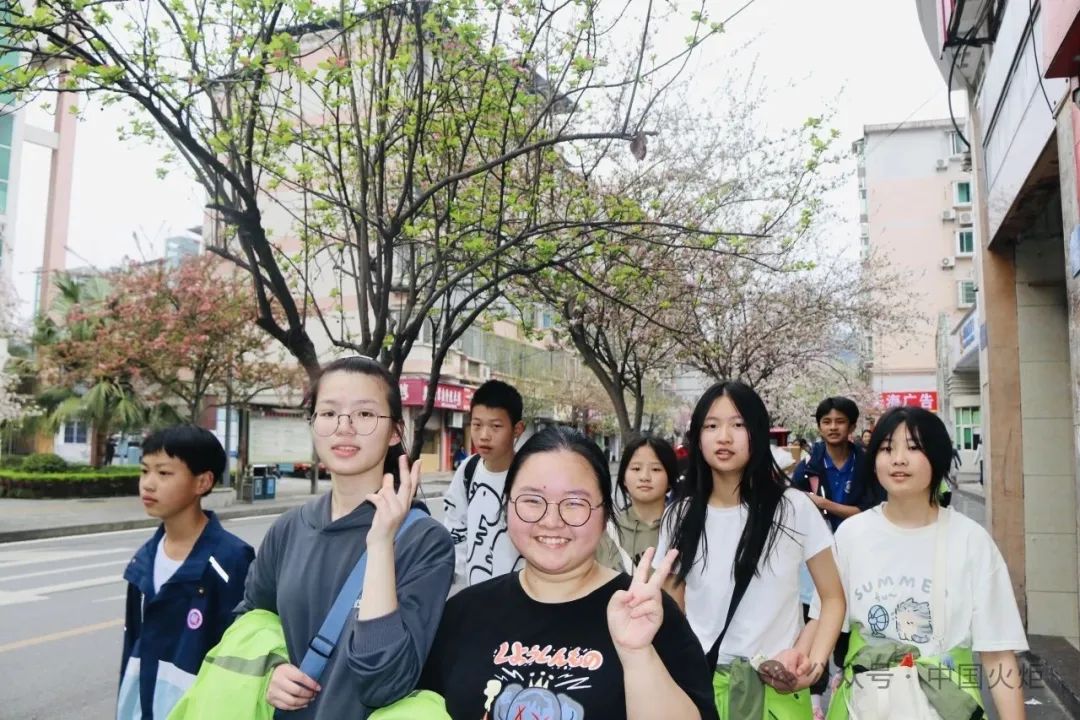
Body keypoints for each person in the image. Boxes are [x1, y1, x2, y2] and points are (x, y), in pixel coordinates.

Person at [420, 426, 719, 720]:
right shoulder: (464, 613)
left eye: (575, 503)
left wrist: (638, 655)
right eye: (532, 500)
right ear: (507, 504)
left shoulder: (647, 613)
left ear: (605, 515)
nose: (551, 521)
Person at [237, 356, 454, 719]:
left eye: (366, 415)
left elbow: (385, 683)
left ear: (395, 432)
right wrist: (270, 668)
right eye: (328, 413)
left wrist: (381, 544)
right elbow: (249, 618)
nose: (344, 427)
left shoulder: (424, 541)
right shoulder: (289, 529)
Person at [819, 407, 1028, 720]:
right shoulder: (851, 535)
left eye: (914, 448)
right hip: (863, 707)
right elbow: (823, 621)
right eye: (887, 448)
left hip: (947, 708)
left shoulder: (970, 540)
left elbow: (998, 653)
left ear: (939, 457)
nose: (898, 459)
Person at [658, 381, 846, 719]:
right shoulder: (680, 515)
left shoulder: (793, 508)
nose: (724, 437)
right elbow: (672, 610)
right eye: (711, 426)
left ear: (757, 433)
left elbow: (832, 597)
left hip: (776, 687)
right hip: (702, 688)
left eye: (738, 425)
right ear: (697, 436)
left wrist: (813, 666)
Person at [117, 424, 255, 720]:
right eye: (144, 471)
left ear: (202, 482)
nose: (148, 484)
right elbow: (131, 654)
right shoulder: (142, 562)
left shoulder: (231, 561)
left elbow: (240, 660)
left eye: (164, 473)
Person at [790, 397, 883, 715]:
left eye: (840, 421)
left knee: (849, 620)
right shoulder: (808, 467)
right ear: (819, 426)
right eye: (826, 422)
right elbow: (795, 509)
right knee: (813, 621)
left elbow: (872, 510)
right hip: (815, 560)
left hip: (859, 556)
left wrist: (824, 504)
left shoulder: (868, 464)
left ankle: (844, 678)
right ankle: (815, 699)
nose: (833, 427)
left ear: (852, 426)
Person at [443, 379, 526, 586]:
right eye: (477, 425)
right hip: (476, 595)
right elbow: (455, 525)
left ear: (517, 430)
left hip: (520, 598)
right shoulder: (468, 470)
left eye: (496, 426)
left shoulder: (530, 476)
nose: (484, 436)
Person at [597, 436, 676, 571]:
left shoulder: (681, 529)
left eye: (656, 469)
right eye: (636, 468)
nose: (645, 477)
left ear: (670, 478)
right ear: (624, 479)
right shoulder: (605, 533)